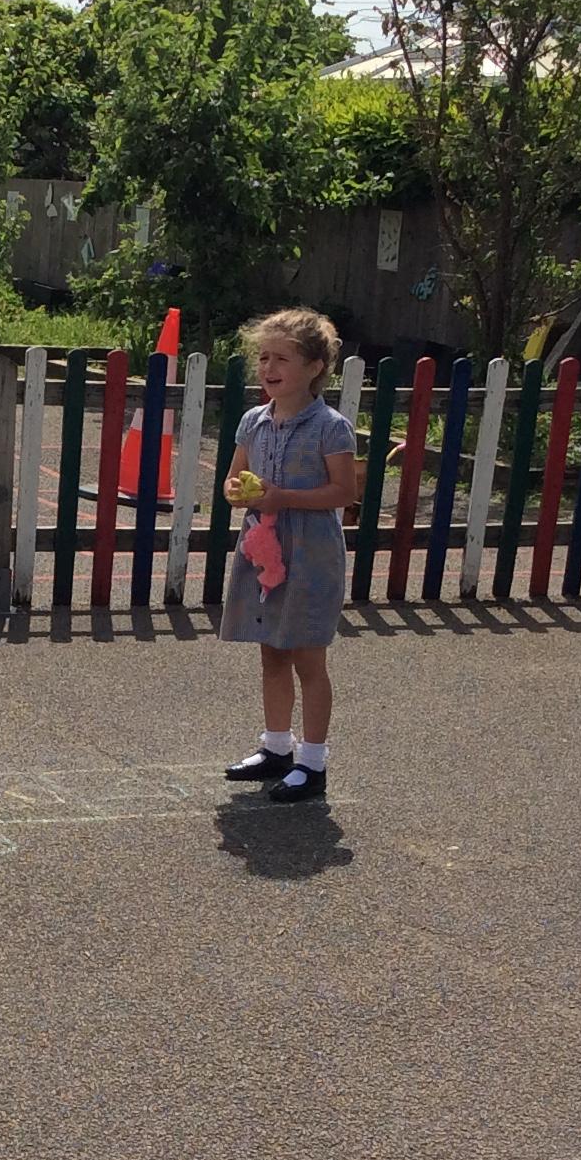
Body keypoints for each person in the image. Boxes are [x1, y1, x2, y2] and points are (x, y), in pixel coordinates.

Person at [217, 308, 360, 803]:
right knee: (271, 651)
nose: (268, 367)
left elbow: (344, 492)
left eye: (281, 358)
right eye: (263, 357)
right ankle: (276, 748)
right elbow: (232, 479)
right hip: (265, 548)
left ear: (315, 367)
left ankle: (312, 763)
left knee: (308, 658)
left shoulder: (331, 427)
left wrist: (283, 498)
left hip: (311, 553)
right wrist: (236, 492)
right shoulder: (253, 421)